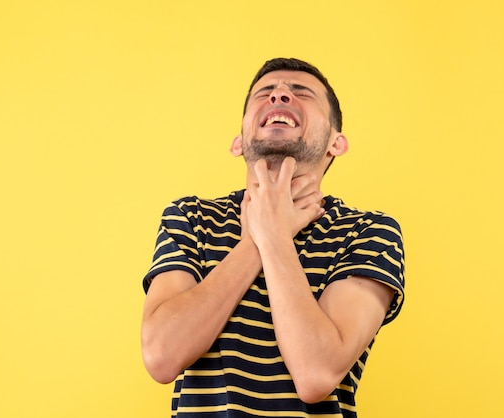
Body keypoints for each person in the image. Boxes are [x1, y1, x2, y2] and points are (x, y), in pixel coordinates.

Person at [141, 57, 405, 417]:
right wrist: (259, 238)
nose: (280, 95)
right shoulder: (191, 218)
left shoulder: (368, 232)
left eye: (301, 92)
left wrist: (273, 237)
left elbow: (316, 373)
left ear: (336, 143)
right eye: (265, 92)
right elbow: (161, 355)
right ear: (238, 142)